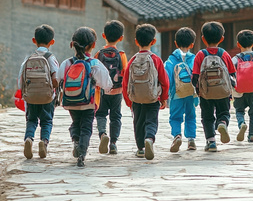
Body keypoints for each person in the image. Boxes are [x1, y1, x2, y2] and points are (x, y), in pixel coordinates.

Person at [56, 27, 113, 167]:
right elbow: (108, 84)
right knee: (86, 127)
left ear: (72, 44)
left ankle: (76, 141)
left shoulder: (67, 63)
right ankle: (82, 153)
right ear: (93, 45)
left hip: (70, 101)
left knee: (76, 123)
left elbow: (57, 79)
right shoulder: (94, 64)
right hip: (88, 102)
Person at [121, 24, 169, 160]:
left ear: (136, 41)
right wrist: (164, 97)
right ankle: (149, 138)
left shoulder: (132, 60)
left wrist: (129, 100)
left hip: (136, 99)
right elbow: (164, 81)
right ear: (153, 41)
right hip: (153, 97)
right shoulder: (156, 60)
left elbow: (125, 83)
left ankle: (141, 148)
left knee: (138, 122)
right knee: (151, 121)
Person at [191, 21, 236, 152]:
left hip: (206, 93)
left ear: (203, 38)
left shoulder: (200, 55)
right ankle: (222, 123)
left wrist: (199, 90)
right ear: (222, 38)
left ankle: (211, 142)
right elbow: (232, 74)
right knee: (224, 112)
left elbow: (195, 76)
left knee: (207, 117)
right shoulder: (224, 54)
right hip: (223, 92)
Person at [17, 24, 59, 159]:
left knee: (31, 120)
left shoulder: (28, 59)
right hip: (47, 97)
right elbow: (56, 78)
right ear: (52, 42)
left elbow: (20, 81)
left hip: (31, 97)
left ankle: (29, 139)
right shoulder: (51, 58)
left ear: (34, 40)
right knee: (47, 121)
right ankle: (44, 142)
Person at [94, 20, 128, 155]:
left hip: (102, 91)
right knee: (116, 117)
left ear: (103, 36)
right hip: (117, 92)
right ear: (121, 38)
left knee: (101, 114)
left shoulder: (98, 54)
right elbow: (125, 73)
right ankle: (113, 143)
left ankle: (103, 134)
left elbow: (94, 72)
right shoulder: (122, 55)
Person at [164, 27, 199, 152]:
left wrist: (166, 94)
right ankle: (191, 140)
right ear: (191, 44)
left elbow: (166, 78)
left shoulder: (170, 60)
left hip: (176, 94)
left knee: (175, 117)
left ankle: (177, 135)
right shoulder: (194, 59)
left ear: (175, 43)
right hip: (190, 94)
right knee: (190, 116)